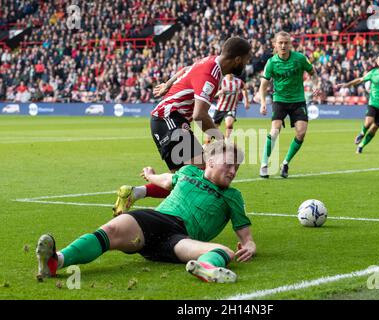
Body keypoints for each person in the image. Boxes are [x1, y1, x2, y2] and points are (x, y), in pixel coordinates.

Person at [36, 141, 256, 283]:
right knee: (112, 229)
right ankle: (56, 261)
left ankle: (206, 269)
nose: (233, 171)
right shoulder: (189, 171)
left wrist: (249, 246)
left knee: (224, 251)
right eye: (229, 164)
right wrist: (150, 176)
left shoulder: (233, 196)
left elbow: (246, 236)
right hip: (154, 221)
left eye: (236, 167)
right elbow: (166, 180)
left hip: (180, 238)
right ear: (209, 161)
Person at [112, 37, 252, 215]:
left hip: (168, 120)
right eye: (247, 59)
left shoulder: (210, 61)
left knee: (182, 181)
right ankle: (157, 196)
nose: (247, 63)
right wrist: (221, 140)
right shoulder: (211, 75)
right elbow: (199, 115)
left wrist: (168, 84)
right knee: (203, 172)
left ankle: (135, 192)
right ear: (238, 59)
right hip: (169, 119)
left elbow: (186, 70)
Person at [258, 31, 321, 178]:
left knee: (301, 133)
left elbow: (313, 73)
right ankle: (264, 164)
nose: (283, 45)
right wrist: (262, 102)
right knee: (275, 131)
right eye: (280, 43)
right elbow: (263, 85)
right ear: (275, 44)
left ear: (290, 44)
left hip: (298, 100)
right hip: (280, 100)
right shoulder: (271, 62)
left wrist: (316, 85)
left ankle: (285, 163)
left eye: (286, 43)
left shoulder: (299, 59)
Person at [336, 52, 379, 153]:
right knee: (368, 122)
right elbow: (360, 80)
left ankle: (361, 145)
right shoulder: (373, 73)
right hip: (373, 103)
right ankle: (361, 133)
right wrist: (348, 84)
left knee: (374, 128)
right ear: (377, 62)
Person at [210, 73, 250, 140]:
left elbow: (244, 88)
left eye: (232, 72)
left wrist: (246, 100)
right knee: (213, 128)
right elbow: (213, 95)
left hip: (231, 108)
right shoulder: (221, 81)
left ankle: (227, 141)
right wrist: (220, 92)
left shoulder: (238, 81)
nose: (231, 73)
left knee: (229, 125)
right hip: (220, 108)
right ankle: (207, 143)